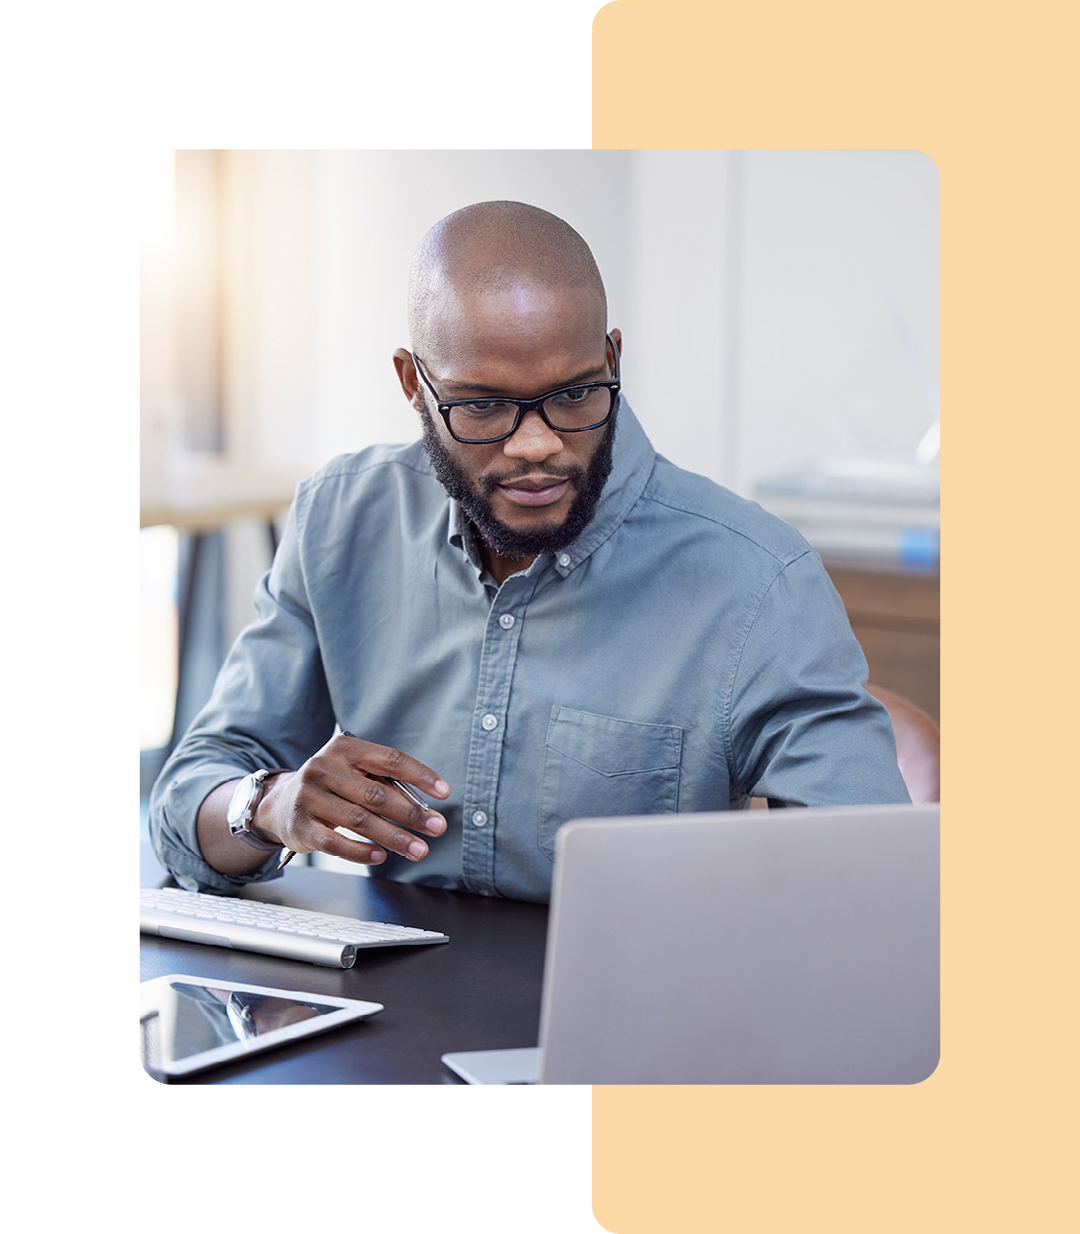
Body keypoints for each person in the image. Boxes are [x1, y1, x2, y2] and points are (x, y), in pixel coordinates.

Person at [150, 200, 909, 905]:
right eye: (482, 405)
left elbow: (874, 885)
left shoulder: (755, 579)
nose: (538, 446)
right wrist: (268, 806)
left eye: (577, 394)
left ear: (613, 358)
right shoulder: (342, 518)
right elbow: (188, 798)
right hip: (381, 1012)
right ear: (413, 384)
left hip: (632, 1023)